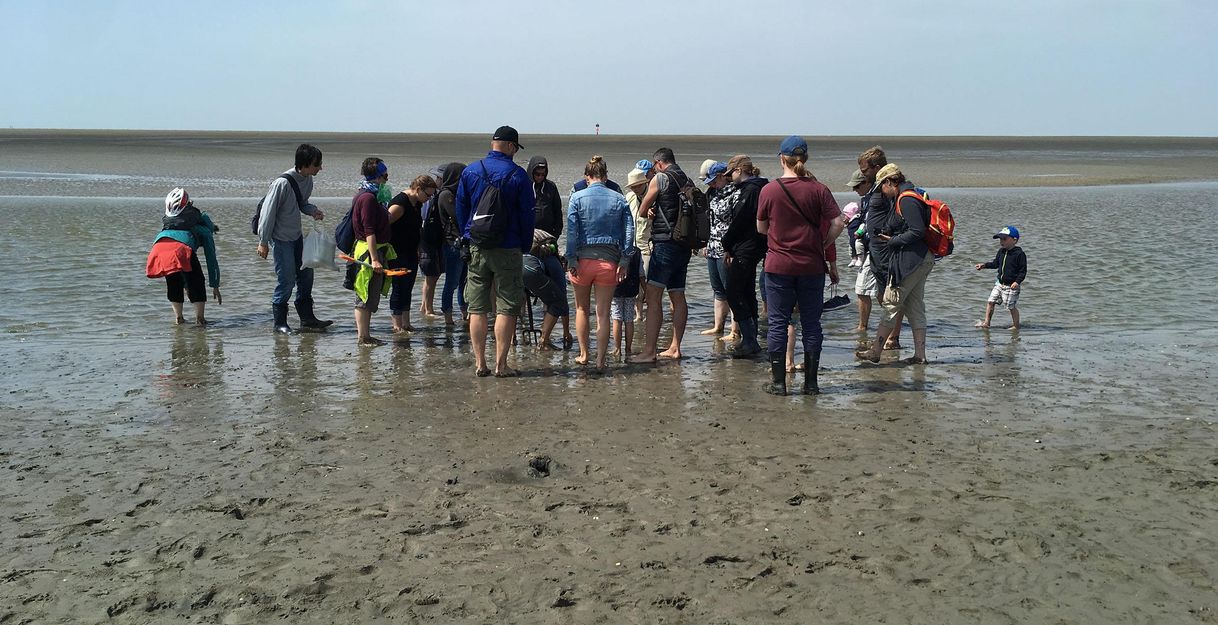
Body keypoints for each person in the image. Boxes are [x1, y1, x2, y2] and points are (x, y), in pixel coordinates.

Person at [757, 136, 843, 395]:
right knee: (811, 323)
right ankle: (811, 384)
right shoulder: (819, 189)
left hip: (779, 265)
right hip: (811, 266)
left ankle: (779, 383)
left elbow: (761, 227)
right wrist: (823, 241)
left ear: (782, 159)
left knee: (778, 323)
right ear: (804, 159)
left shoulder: (769, 190)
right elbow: (838, 222)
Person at [455, 126, 536, 377]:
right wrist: (524, 245)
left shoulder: (470, 171)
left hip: (477, 245)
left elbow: (461, 208)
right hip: (508, 246)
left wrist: (466, 236)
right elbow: (527, 215)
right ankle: (501, 364)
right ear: (511, 146)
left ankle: (480, 363)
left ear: (493, 144)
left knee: (477, 307)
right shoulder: (519, 175)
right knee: (507, 306)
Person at [856, 163, 935, 365]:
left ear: (890, 182)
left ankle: (875, 352)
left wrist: (892, 241)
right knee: (915, 307)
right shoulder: (910, 195)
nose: (882, 191)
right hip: (921, 259)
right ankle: (920, 356)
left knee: (891, 302)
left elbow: (917, 231)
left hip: (911, 261)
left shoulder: (906, 199)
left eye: (882, 185)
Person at [566, 155, 635, 370]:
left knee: (581, 309)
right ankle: (601, 360)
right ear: (605, 177)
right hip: (608, 262)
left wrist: (570, 258)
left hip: (582, 261)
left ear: (587, 177)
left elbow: (571, 231)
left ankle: (585, 354)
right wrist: (625, 259)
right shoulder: (619, 199)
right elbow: (629, 231)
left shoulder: (577, 198)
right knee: (603, 313)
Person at [256, 144, 330, 334]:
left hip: (296, 236)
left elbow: (301, 203)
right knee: (287, 279)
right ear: (304, 165)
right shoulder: (281, 184)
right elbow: (267, 213)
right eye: (317, 164)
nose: (320, 168)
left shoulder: (308, 180)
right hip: (280, 239)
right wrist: (263, 242)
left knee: (306, 274)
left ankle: (307, 319)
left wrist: (313, 211)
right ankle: (280, 323)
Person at [636, 147, 695, 361]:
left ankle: (649, 351)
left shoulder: (660, 178)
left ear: (659, 163)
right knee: (678, 295)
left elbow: (643, 210)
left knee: (653, 296)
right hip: (684, 245)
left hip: (665, 243)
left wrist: (651, 209)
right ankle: (675, 347)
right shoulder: (687, 179)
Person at [146, 188, 221, 325]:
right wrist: (215, 285)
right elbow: (211, 259)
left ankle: (178, 318)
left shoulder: (170, 224)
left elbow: (181, 264)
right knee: (197, 282)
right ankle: (200, 319)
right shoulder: (204, 231)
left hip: (159, 246)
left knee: (173, 283)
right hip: (181, 249)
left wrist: (186, 283)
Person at [720, 155, 770, 358]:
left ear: (740, 170)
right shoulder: (759, 188)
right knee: (747, 290)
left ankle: (750, 339)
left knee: (733, 292)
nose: (730, 178)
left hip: (747, 246)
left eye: (731, 173)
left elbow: (740, 220)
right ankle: (750, 338)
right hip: (754, 245)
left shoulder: (751, 191)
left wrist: (726, 242)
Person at [858, 146, 903, 348]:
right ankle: (888, 331)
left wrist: (887, 234)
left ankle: (893, 337)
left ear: (876, 168)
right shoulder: (875, 187)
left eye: (865, 170)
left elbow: (897, 212)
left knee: (891, 293)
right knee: (880, 293)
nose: (862, 174)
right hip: (874, 250)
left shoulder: (887, 187)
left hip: (885, 250)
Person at [527, 155, 573, 349]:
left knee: (560, 284)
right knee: (518, 292)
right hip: (527, 246)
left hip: (548, 244)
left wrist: (551, 238)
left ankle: (565, 332)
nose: (539, 176)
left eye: (543, 173)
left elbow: (558, 219)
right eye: (536, 173)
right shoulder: (524, 188)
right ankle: (514, 333)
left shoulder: (551, 188)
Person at [351, 158, 397, 346]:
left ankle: (366, 335)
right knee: (364, 294)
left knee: (371, 294)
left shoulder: (373, 195)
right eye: (385, 175)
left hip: (376, 249)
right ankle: (363, 337)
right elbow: (369, 230)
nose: (387, 178)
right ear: (379, 175)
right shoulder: (367, 197)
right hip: (368, 251)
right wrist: (375, 259)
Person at [386, 174, 439, 333]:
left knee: (408, 287)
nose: (429, 199)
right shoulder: (400, 203)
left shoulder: (416, 203)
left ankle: (406, 323)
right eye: (428, 195)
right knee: (399, 286)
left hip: (411, 251)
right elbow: (384, 226)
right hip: (396, 252)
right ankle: (397, 324)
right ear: (417, 189)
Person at [699, 160, 739, 338]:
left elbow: (737, 223)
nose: (712, 185)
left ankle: (734, 329)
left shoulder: (735, 193)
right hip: (712, 245)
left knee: (731, 288)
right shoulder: (711, 193)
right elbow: (709, 221)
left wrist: (731, 248)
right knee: (717, 289)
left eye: (714, 181)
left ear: (723, 176)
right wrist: (706, 243)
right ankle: (718, 326)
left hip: (727, 248)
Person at [434, 162, 469, 327]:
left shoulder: (458, 193)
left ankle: (464, 312)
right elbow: (457, 217)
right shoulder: (446, 194)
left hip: (463, 243)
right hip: (452, 243)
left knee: (464, 281)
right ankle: (447, 315)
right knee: (452, 282)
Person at [974, 226, 1026, 330]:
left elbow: (1023, 271)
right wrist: (984, 265)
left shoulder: (1019, 254)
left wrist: (1017, 282)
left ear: (1014, 240)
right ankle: (987, 323)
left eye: (1004, 239)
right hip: (999, 283)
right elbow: (995, 264)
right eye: (1000, 239)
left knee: (1010, 306)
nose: (1001, 241)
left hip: (1011, 286)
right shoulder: (1001, 252)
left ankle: (1016, 326)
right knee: (990, 301)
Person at [847, 169, 879, 332]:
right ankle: (886, 328)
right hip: (869, 249)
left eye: (856, 186)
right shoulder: (866, 199)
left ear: (867, 183)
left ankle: (863, 327)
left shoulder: (875, 198)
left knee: (862, 289)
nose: (854, 190)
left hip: (875, 250)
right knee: (873, 290)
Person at [624, 164, 652, 323]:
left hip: (647, 246)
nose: (634, 189)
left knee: (645, 280)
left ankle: (647, 312)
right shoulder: (629, 197)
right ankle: (639, 315)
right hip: (632, 247)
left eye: (637, 186)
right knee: (634, 281)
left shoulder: (653, 196)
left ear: (644, 183)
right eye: (632, 187)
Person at [612, 246, 644, 361]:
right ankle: (628, 348)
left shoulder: (613, 249)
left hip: (615, 288)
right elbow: (641, 274)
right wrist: (646, 290)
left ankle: (617, 348)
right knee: (629, 319)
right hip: (631, 289)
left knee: (617, 318)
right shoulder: (636, 251)